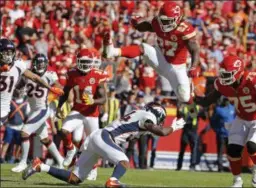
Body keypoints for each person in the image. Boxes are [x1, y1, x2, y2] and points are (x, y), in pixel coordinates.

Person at [22, 102, 186, 187]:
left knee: (75, 178)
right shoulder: (146, 116)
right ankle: (113, 181)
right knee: (123, 161)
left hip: (98, 138)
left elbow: (150, 129)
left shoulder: (141, 114)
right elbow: (162, 132)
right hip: (104, 137)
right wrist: (174, 127)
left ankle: (39, 166)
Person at [195, 55, 256, 187]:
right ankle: (237, 181)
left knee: (252, 147)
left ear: (238, 72)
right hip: (241, 118)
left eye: (228, 74)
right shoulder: (223, 85)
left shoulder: (251, 80)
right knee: (233, 150)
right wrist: (191, 98)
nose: (224, 78)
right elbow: (207, 101)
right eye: (223, 74)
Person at [103, 1, 200, 103]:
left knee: (185, 97)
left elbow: (194, 49)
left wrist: (194, 66)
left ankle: (191, 103)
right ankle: (113, 51)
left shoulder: (185, 29)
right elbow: (147, 27)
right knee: (143, 48)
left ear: (177, 19)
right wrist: (137, 23)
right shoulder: (158, 23)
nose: (164, 24)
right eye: (162, 20)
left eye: (168, 21)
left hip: (177, 68)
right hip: (160, 59)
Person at [56, 48, 108, 180]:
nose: (84, 65)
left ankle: (94, 169)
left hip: (92, 114)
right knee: (63, 130)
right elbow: (66, 91)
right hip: (78, 111)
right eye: (82, 62)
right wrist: (59, 107)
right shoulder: (72, 73)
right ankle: (70, 149)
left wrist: (93, 100)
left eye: (87, 62)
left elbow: (104, 99)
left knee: (93, 144)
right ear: (77, 61)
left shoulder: (98, 74)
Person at [11, 54, 64, 173]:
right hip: (34, 109)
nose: (40, 66)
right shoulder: (27, 74)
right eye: (38, 63)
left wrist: (57, 94)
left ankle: (23, 162)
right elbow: (17, 89)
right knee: (45, 139)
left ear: (46, 64)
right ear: (34, 64)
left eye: (42, 63)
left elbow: (59, 88)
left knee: (24, 132)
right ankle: (60, 160)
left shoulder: (50, 75)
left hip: (42, 109)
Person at [0, 38, 63, 126]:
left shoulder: (18, 65)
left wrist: (50, 87)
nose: (8, 55)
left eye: (10, 52)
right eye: (6, 52)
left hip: (2, 109)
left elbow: (35, 78)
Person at [0, 87, 29, 163]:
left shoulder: (26, 104)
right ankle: (2, 157)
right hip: (10, 125)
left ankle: (15, 157)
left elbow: (27, 114)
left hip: (20, 127)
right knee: (6, 142)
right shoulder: (10, 102)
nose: (19, 93)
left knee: (18, 144)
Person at [210, 96, 235, 172]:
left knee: (231, 152)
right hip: (221, 134)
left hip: (230, 134)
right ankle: (220, 168)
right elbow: (213, 121)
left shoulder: (233, 108)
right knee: (220, 152)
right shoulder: (218, 110)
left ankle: (232, 167)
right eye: (225, 100)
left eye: (227, 100)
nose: (226, 101)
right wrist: (216, 130)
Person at [176, 102, 202, 171]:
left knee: (193, 149)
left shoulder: (193, 107)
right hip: (186, 130)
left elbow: (191, 117)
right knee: (182, 149)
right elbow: (178, 116)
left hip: (193, 130)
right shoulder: (184, 106)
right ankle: (179, 166)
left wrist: (181, 112)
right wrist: (178, 110)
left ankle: (192, 166)